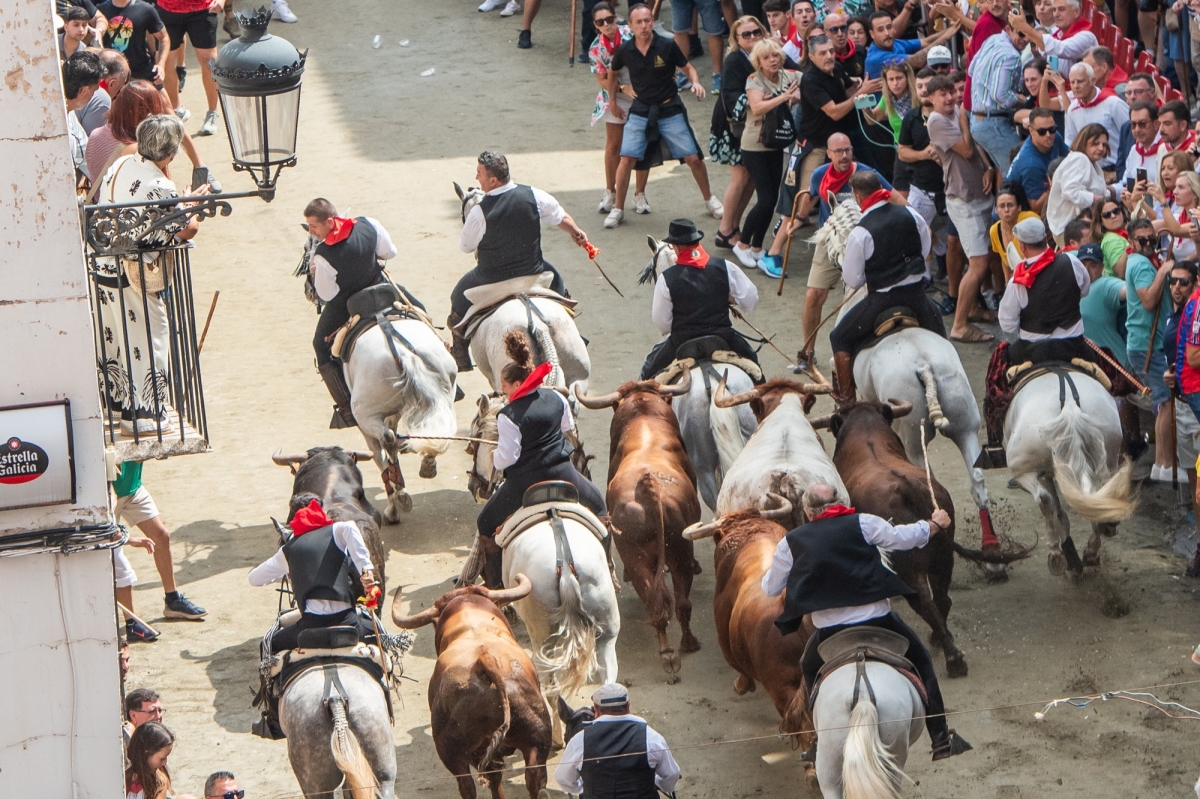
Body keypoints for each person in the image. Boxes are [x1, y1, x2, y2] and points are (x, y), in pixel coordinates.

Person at [761, 483, 971, 761]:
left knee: (808, 669)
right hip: (879, 621)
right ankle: (941, 737)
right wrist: (934, 524)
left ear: (808, 511)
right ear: (840, 501)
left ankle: (817, 741)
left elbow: (771, 589)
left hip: (829, 632)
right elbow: (903, 537)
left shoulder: (792, 542)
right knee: (922, 662)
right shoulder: (864, 522)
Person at [95, 115, 209, 433]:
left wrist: (180, 202)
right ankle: (145, 415)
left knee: (116, 337)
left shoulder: (123, 163)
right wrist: (191, 205)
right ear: (169, 154)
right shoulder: (161, 185)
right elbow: (187, 230)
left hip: (103, 264)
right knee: (150, 336)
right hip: (132, 271)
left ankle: (118, 405)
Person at [475, 332, 608, 587]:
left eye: (504, 384)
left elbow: (508, 458)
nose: (501, 389)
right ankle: (608, 569)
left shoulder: (508, 415)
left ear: (516, 385)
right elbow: (567, 427)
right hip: (564, 473)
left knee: (485, 522)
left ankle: (496, 586)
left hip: (525, 482)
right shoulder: (557, 398)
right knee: (601, 508)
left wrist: (495, 455)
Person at [452, 151, 589, 360]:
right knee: (559, 285)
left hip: (491, 278)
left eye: (479, 173)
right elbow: (559, 215)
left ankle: (460, 355)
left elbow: (466, 247)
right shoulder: (533, 194)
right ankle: (574, 332)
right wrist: (576, 232)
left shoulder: (479, 212)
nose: (476, 178)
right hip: (532, 271)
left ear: (493, 180)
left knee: (457, 298)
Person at [763, 36, 882, 277]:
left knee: (863, 184)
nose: (830, 56)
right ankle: (773, 253)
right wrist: (860, 95)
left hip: (840, 144)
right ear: (812, 56)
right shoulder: (810, 80)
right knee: (803, 201)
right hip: (816, 146)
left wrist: (859, 87)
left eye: (831, 51)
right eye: (823, 53)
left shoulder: (835, 68)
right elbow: (835, 112)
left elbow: (847, 88)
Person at [606, 5, 724, 229]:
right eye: (639, 22)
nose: (644, 25)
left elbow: (688, 68)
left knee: (693, 158)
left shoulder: (667, 45)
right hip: (641, 109)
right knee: (626, 159)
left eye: (648, 20)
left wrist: (696, 82)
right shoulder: (624, 51)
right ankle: (618, 208)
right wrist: (613, 101)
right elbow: (612, 74)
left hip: (670, 109)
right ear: (629, 26)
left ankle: (710, 199)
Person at [827, 170, 941, 400]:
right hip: (917, 297)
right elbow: (925, 248)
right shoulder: (910, 213)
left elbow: (853, 280)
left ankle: (847, 402)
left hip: (881, 301)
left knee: (838, 337)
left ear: (857, 197)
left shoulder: (860, 233)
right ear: (880, 187)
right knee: (940, 337)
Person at [303, 198, 399, 427]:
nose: (311, 232)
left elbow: (326, 294)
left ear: (329, 221)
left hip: (348, 303)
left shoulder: (323, 254)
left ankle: (346, 407)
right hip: (381, 288)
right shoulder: (369, 224)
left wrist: (317, 273)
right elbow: (390, 253)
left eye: (314, 226)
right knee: (420, 311)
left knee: (319, 344)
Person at [247, 495, 378, 652]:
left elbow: (254, 579)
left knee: (267, 646)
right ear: (321, 510)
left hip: (310, 626)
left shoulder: (288, 550)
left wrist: (291, 571)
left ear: (294, 517)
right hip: (348, 622)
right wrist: (366, 570)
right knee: (383, 637)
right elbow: (352, 533)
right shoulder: (340, 529)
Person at [641, 218, 761, 380]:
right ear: (697, 242)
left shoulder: (666, 279)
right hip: (723, 336)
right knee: (757, 372)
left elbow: (663, 325)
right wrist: (731, 299)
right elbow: (751, 300)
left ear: (676, 247)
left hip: (681, 341)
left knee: (648, 373)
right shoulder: (724, 266)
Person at [926, 73, 998, 343]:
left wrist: (989, 168)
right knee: (978, 264)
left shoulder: (957, 111)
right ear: (931, 99)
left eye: (950, 92)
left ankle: (975, 309)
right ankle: (959, 326)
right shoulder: (936, 120)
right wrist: (965, 122)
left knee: (984, 257)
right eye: (942, 94)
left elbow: (977, 145)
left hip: (980, 194)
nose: (949, 98)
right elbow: (967, 149)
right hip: (962, 200)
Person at [112, 460, 207, 642]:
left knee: (161, 536)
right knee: (119, 563)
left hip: (132, 487)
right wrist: (131, 541)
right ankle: (132, 625)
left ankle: (173, 600)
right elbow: (110, 534)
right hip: (106, 493)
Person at [736, 38, 801, 268]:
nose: (772, 60)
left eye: (775, 55)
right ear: (758, 62)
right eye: (766, 57)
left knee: (772, 198)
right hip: (754, 145)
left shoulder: (791, 75)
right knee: (765, 199)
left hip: (775, 144)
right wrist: (784, 97)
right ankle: (742, 244)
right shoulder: (754, 80)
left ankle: (756, 246)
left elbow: (809, 87)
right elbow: (756, 107)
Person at [554, 683, 681, 797]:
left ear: (596, 711)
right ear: (628, 707)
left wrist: (583, 789)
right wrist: (658, 784)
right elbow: (672, 774)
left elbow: (562, 777)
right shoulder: (651, 737)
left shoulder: (579, 740)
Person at [998, 216, 1092, 362]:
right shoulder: (1072, 261)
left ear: (1022, 247)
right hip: (1074, 347)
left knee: (998, 372)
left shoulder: (1017, 283)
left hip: (1032, 351)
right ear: (1045, 238)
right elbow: (1085, 291)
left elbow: (1007, 324)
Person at [712, 16, 770, 252]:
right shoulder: (735, 60)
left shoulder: (768, 51)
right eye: (746, 34)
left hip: (755, 124)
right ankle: (725, 230)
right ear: (736, 39)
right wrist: (759, 98)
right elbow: (730, 96)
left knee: (751, 178)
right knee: (741, 177)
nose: (753, 37)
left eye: (756, 32)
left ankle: (734, 227)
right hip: (732, 126)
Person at [1125, 217, 1175, 472]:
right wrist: (1164, 271)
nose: (1147, 244)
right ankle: (1163, 463)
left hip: (1145, 343)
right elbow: (1148, 301)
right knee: (1165, 401)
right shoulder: (1143, 265)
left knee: (1164, 400)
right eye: (1142, 240)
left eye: (1151, 239)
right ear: (1132, 241)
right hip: (1147, 344)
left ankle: (1163, 462)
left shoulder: (1140, 261)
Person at [591, 4, 650, 217]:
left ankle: (640, 194)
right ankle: (611, 191)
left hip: (642, 95)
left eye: (609, 19)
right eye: (601, 22)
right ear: (595, 26)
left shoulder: (630, 34)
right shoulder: (595, 48)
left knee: (643, 145)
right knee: (614, 146)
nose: (606, 25)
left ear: (616, 18)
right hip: (616, 97)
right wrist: (621, 91)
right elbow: (602, 80)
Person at [966, 22, 1028, 174]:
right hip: (993, 122)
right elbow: (1001, 95)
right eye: (1021, 33)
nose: (1026, 39)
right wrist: (1023, 101)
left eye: (1029, 35)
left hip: (978, 121)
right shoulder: (1011, 55)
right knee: (1020, 172)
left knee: (1010, 175)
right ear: (1008, 29)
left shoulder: (993, 39)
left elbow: (972, 69)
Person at [157, 0, 223, 134]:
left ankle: (212, 112)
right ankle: (176, 111)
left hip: (203, 9)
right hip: (167, 9)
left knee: (209, 63)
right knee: (166, 63)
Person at [1047, 124, 1109, 245]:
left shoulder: (1094, 164)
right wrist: (1096, 199)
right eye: (1096, 143)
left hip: (1082, 227)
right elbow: (1070, 191)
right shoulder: (1079, 159)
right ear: (1083, 142)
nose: (1101, 148)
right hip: (1070, 230)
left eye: (1104, 144)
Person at [1062, 63, 1129, 171]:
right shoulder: (1072, 109)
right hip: (1089, 170)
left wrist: (1123, 170)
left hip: (1116, 168)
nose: (1075, 86)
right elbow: (1071, 143)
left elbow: (1130, 135)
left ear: (1093, 81)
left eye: (1080, 81)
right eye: (1072, 82)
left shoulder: (1113, 103)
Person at [1009, 0, 1098, 78]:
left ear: (1076, 12)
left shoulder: (1087, 37)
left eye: (1061, 9)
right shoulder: (1058, 35)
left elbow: (1061, 48)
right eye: (1054, 10)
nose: (1056, 14)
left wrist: (1025, 28)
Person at [1007, 107, 1069, 215]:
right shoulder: (1031, 164)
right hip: (1013, 216)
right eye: (1042, 131)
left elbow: (1069, 159)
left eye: (1052, 129)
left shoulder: (1055, 137)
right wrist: (1055, 184)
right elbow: (1035, 208)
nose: (1048, 135)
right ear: (1031, 131)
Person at [863, 10, 958, 79]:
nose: (887, 33)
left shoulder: (895, 43)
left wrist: (951, 29)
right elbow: (917, 60)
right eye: (880, 30)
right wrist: (945, 37)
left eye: (889, 27)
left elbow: (925, 42)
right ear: (872, 34)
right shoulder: (875, 58)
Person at [1077, 241, 1129, 367]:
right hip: (1084, 364)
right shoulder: (1072, 286)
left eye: (1093, 265)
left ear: (1102, 267)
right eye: (1082, 265)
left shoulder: (1105, 285)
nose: (1086, 270)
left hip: (1113, 366)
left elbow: (1128, 290)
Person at [98, 0, 168, 86]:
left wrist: (161, 64)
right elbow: (87, 39)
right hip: (111, 72)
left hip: (141, 69)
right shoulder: (100, 11)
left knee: (163, 99)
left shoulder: (145, 9)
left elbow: (164, 38)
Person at [64, 51, 102, 187]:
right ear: (84, 91)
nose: (93, 96)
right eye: (94, 91)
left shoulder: (70, 113)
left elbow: (86, 151)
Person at [991, 183, 1039, 283]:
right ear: (996, 210)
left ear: (1019, 208)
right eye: (1002, 206)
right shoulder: (994, 231)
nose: (1006, 210)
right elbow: (1004, 261)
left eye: (1010, 205)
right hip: (1017, 280)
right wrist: (1007, 284)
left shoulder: (1029, 219)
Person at [1121, 101, 1165, 192]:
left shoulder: (1166, 149)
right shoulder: (1134, 150)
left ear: (1156, 124)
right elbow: (1126, 182)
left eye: (1142, 124)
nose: (1137, 130)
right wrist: (1110, 191)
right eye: (1133, 125)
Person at [125, 721, 176, 799]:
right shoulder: (123, 781)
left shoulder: (159, 783)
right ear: (146, 752)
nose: (164, 763)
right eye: (162, 758)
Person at [1161, 172, 1200, 263]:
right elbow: (1152, 226)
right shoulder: (1178, 214)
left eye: (1181, 187)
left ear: (1194, 193)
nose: (1174, 191)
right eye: (1175, 186)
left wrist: (1162, 201)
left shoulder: (1198, 217)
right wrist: (1138, 202)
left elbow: (1175, 230)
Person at [1091, 198, 1132, 278]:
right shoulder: (1111, 240)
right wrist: (1130, 246)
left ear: (1122, 213)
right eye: (1107, 215)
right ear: (1101, 222)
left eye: (1116, 211)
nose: (1113, 216)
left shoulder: (1122, 233)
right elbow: (1120, 272)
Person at [825, 11, 866, 80]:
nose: (840, 34)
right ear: (825, 32)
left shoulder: (860, 51)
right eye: (834, 30)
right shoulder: (824, 58)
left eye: (843, 28)